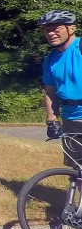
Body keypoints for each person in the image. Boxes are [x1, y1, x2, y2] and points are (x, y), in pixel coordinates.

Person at [38, 9, 82, 163]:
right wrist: (52, 120)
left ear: (71, 28)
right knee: (77, 167)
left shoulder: (80, 48)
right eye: (47, 30)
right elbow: (50, 91)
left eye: (56, 29)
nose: (50, 33)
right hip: (70, 118)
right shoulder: (50, 59)